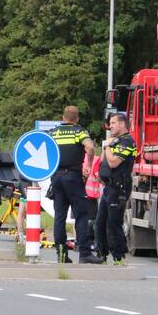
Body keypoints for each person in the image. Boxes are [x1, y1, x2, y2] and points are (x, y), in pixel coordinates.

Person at [48, 106, 102, 264]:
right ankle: (85, 254)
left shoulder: (53, 132)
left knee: (60, 217)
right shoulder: (79, 131)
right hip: (73, 177)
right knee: (81, 215)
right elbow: (90, 147)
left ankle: (61, 255)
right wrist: (89, 165)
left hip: (56, 178)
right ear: (77, 119)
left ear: (63, 118)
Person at [99, 112, 138, 265]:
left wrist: (107, 146)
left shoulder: (127, 142)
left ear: (122, 124)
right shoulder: (115, 141)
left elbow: (114, 162)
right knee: (100, 223)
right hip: (109, 187)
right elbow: (105, 162)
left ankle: (119, 257)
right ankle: (101, 255)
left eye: (114, 123)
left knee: (113, 224)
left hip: (119, 188)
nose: (111, 126)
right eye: (110, 123)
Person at [83, 153, 103, 258]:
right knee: (95, 221)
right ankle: (97, 245)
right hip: (92, 195)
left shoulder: (79, 157)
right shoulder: (95, 159)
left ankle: (80, 243)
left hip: (81, 193)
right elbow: (98, 174)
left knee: (80, 219)